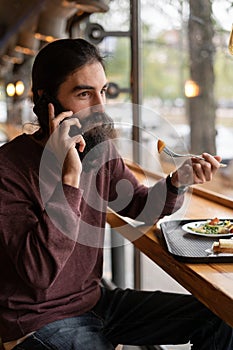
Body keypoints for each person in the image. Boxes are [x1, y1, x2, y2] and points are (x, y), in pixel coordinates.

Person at [0, 38, 232, 350]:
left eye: (104, 91)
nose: (100, 107)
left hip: (97, 303)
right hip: (37, 320)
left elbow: (138, 204)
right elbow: (39, 274)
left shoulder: (100, 150)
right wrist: (70, 179)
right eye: (84, 93)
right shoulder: (8, 169)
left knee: (222, 317)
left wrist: (178, 180)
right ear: (45, 101)